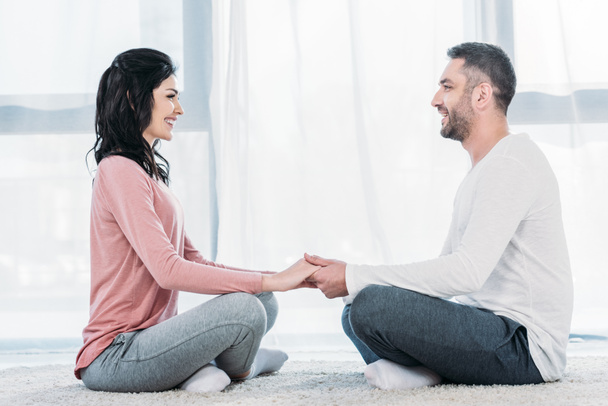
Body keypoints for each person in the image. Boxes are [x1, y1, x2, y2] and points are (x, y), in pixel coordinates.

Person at [305, 42, 573, 390]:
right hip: (489, 326)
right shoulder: (485, 168)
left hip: (524, 347)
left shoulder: (511, 164)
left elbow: (467, 273)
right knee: (355, 308)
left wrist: (355, 276)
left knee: (370, 304)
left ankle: (425, 373)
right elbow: (448, 266)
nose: (435, 99)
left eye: (447, 87)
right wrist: (354, 282)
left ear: (481, 95)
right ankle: (425, 373)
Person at [75, 48, 320, 393]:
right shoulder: (117, 170)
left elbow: (195, 261)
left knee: (263, 302)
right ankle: (239, 368)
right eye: (170, 97)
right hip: (116, 354)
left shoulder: (148, 176)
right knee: (246, 310)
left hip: (152, 341)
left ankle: (206, 369)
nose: (180, 109)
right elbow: (168, 270)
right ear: (134, 99)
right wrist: (274, 281)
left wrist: (275, 278)